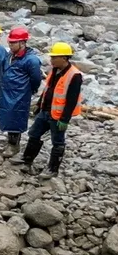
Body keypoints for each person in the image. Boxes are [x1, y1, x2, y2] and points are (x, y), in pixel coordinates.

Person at [18, 43, 83, 179]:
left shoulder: (74, 75)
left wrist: (65, 119)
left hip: (58, 116)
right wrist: (39, 103)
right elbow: (48, 89)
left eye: (54, 57)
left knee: (58, 142)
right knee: (34, 134)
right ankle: (27, 160)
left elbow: (71, 99)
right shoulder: (55, 70)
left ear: (64, 58)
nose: (51, 60)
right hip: (45, 111)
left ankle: (53, 169)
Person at [0, 27, 44, 157]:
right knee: (7, 117)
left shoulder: (31, 60)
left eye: (13, 43)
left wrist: (30, 89)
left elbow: (36, 78)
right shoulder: (10, 56)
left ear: (23, 43)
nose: (10, 45)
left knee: (16, 118)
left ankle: (14, 145)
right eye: (10, 43)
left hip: (20, 93)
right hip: (7, 91)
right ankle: (10, 142)